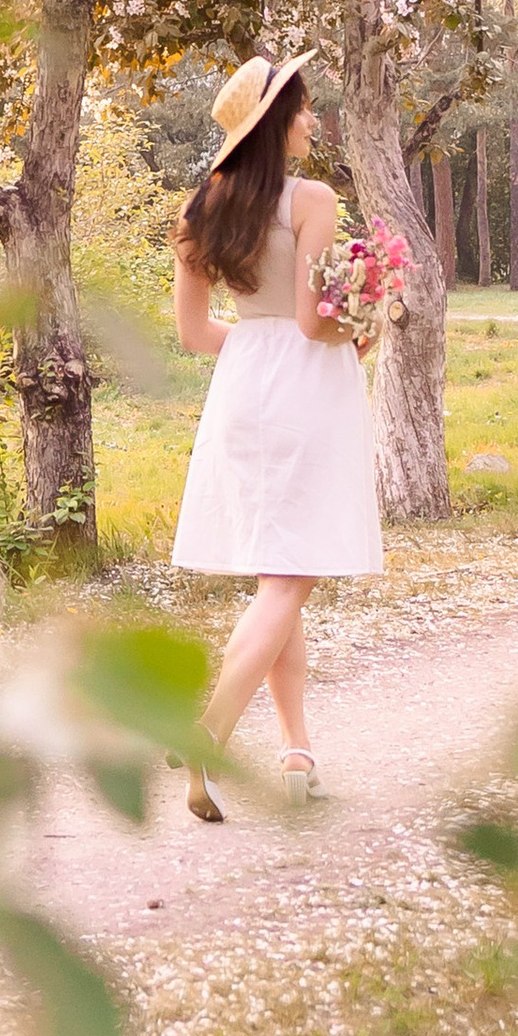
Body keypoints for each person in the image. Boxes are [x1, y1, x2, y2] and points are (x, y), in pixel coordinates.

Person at [168, 48, 383, 819]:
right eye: (303, 107)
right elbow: (311, 320)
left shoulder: (199, 212)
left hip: (241, 397)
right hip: (306, 398)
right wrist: (371, 320)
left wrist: (259, 347)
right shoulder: (311, 199)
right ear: (278, 123)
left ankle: (296, 753)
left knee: (277, 575)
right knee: (292, 577)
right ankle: (211, 729)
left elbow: (195, 333)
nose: (312, 119)